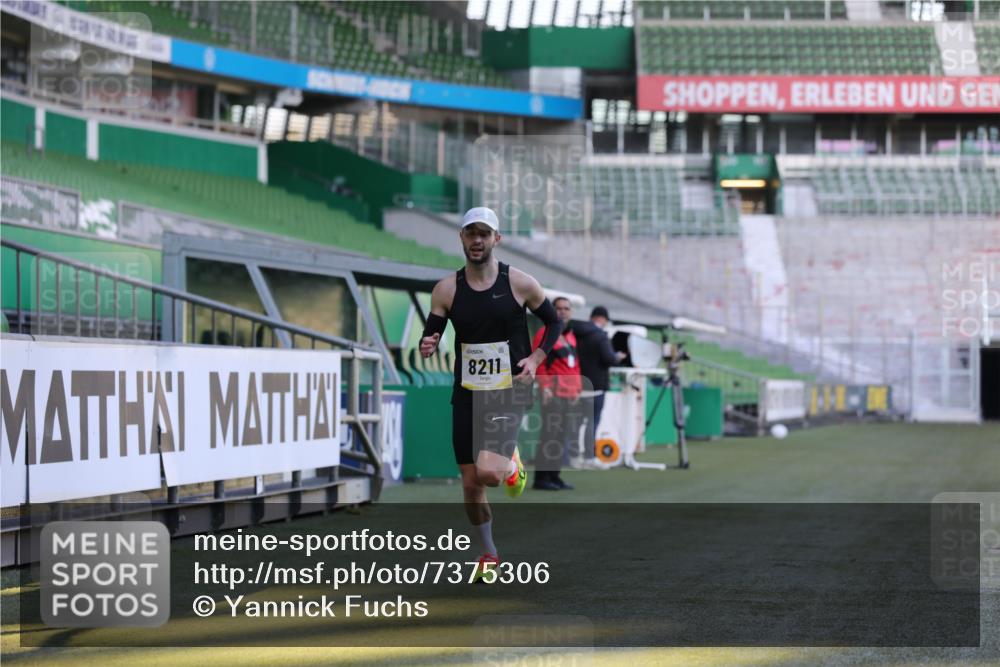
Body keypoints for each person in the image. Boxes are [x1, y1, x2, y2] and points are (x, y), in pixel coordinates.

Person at [420, 206, 563, 580]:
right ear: (462, 238)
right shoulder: (446, 289)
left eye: (484, 234)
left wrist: (536, 358)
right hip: (467, 392)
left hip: (508, 388)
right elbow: (431, 332)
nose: (477, 240)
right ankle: (489, 554)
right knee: (470, 485)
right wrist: (427, 343)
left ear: (496, 239)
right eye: (471, 233)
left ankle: (511, 465)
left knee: (489, 474)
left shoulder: (520, 283)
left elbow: (554, 321)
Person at [531, 296, 580, 491]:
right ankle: (541, 478)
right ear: (552, 310)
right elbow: (537, 363)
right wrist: (545, 387)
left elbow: (574, 367)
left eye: (567, 308)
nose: (563, 312)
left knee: (561, 437)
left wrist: (577, 389)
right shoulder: (544, 333)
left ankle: (554, 476)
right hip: (553, 394)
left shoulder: (570, 336)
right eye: (559, 308)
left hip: (569, 395)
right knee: (549, 436)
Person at [571, 305, 626, 467]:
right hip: (596, 386)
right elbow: (609, 358)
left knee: (575, 423)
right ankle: (589, 457)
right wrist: (617, 357)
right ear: (602, 319)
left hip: (576, 385)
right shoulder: (600, 336)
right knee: (592, 422)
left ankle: (572, 457)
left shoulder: (574, 332)